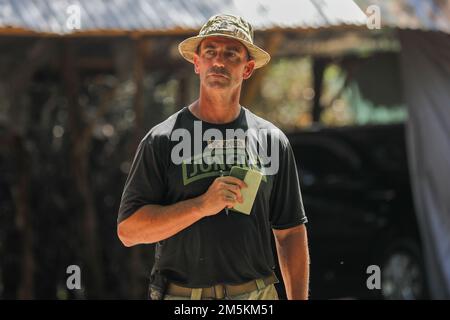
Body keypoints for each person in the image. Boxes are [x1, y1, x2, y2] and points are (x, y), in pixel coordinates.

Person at [117, 14, 309, 300]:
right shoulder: (162, 140)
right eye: (210, 52)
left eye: (231, 54)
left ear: (247, 69)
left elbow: (291, 232)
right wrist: (203, 205)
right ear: (197, 63)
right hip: (182, 300)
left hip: (255, 299)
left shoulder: (271, 141)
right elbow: (129, 231)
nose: (219, 61)